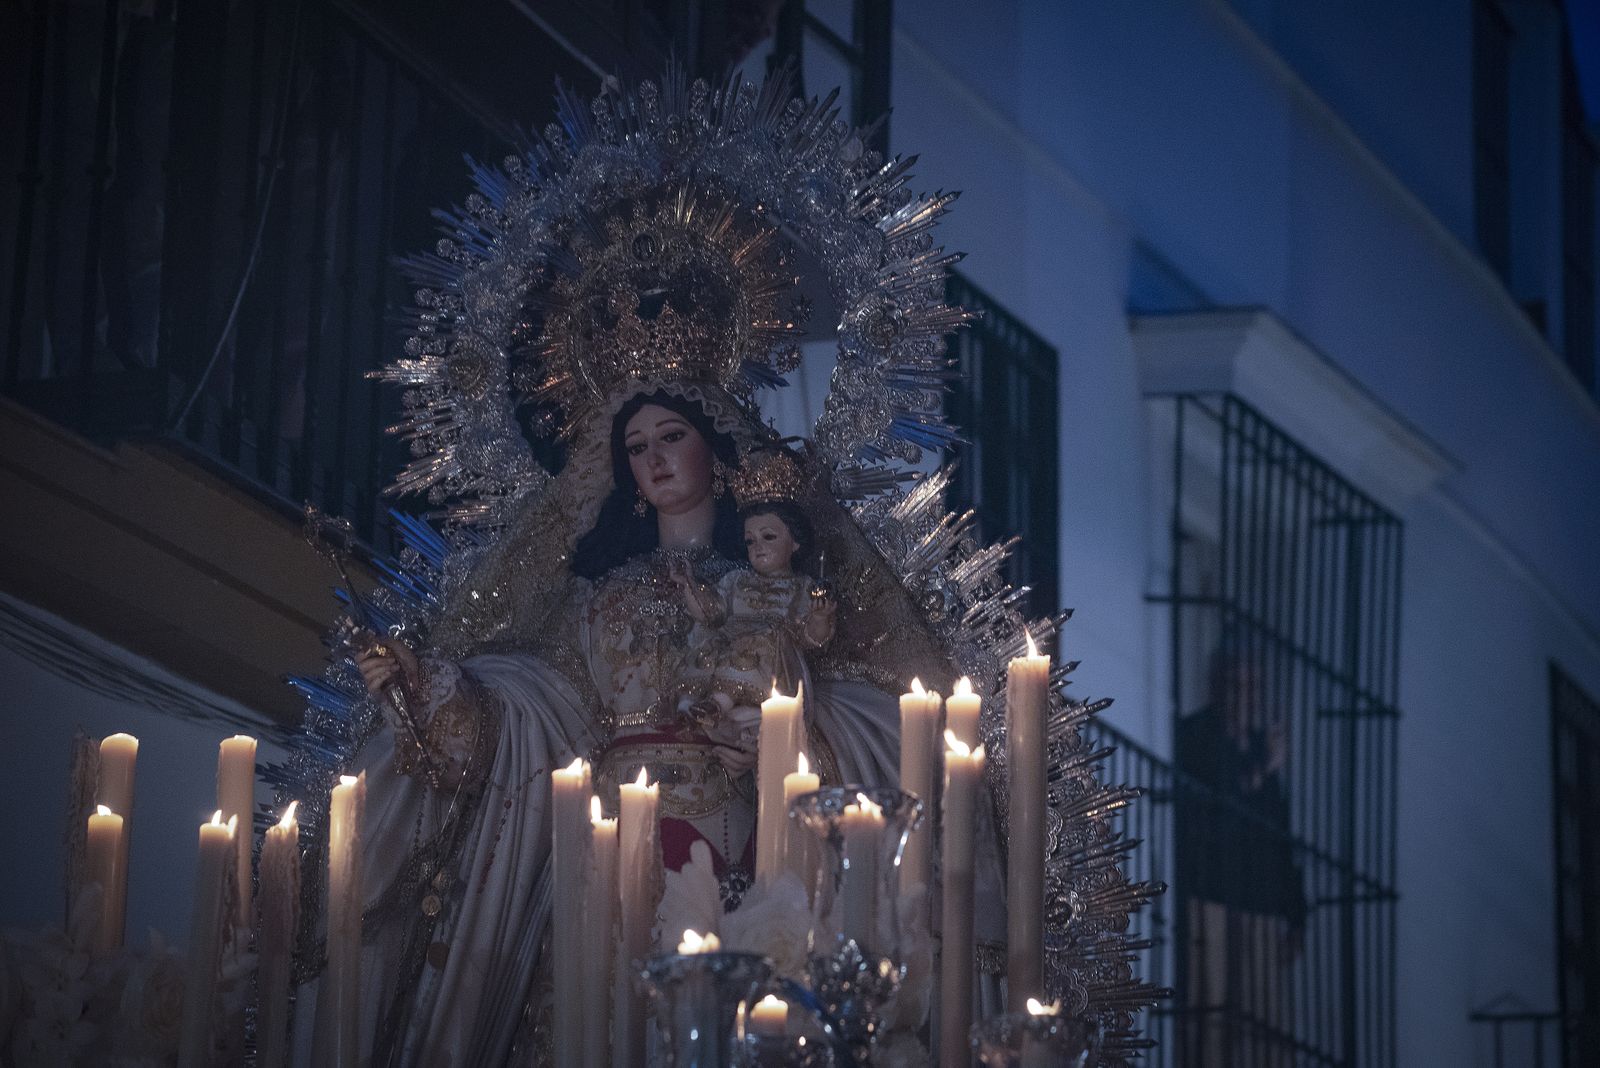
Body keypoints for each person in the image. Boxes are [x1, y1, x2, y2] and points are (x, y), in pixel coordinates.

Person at [1175, 648, 1305, 1067]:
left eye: (1253, 686)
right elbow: (1206, 817)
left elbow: (1280, 837)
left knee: (1265, 1028)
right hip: (1212, 900)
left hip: (1262, 907)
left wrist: (1297, 914)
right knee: (1212, 1025)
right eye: (1237, 684)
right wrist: (1264, 769)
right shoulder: (1195, 737)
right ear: (1218, 686)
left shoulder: (1258, 745)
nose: (1246, 696)